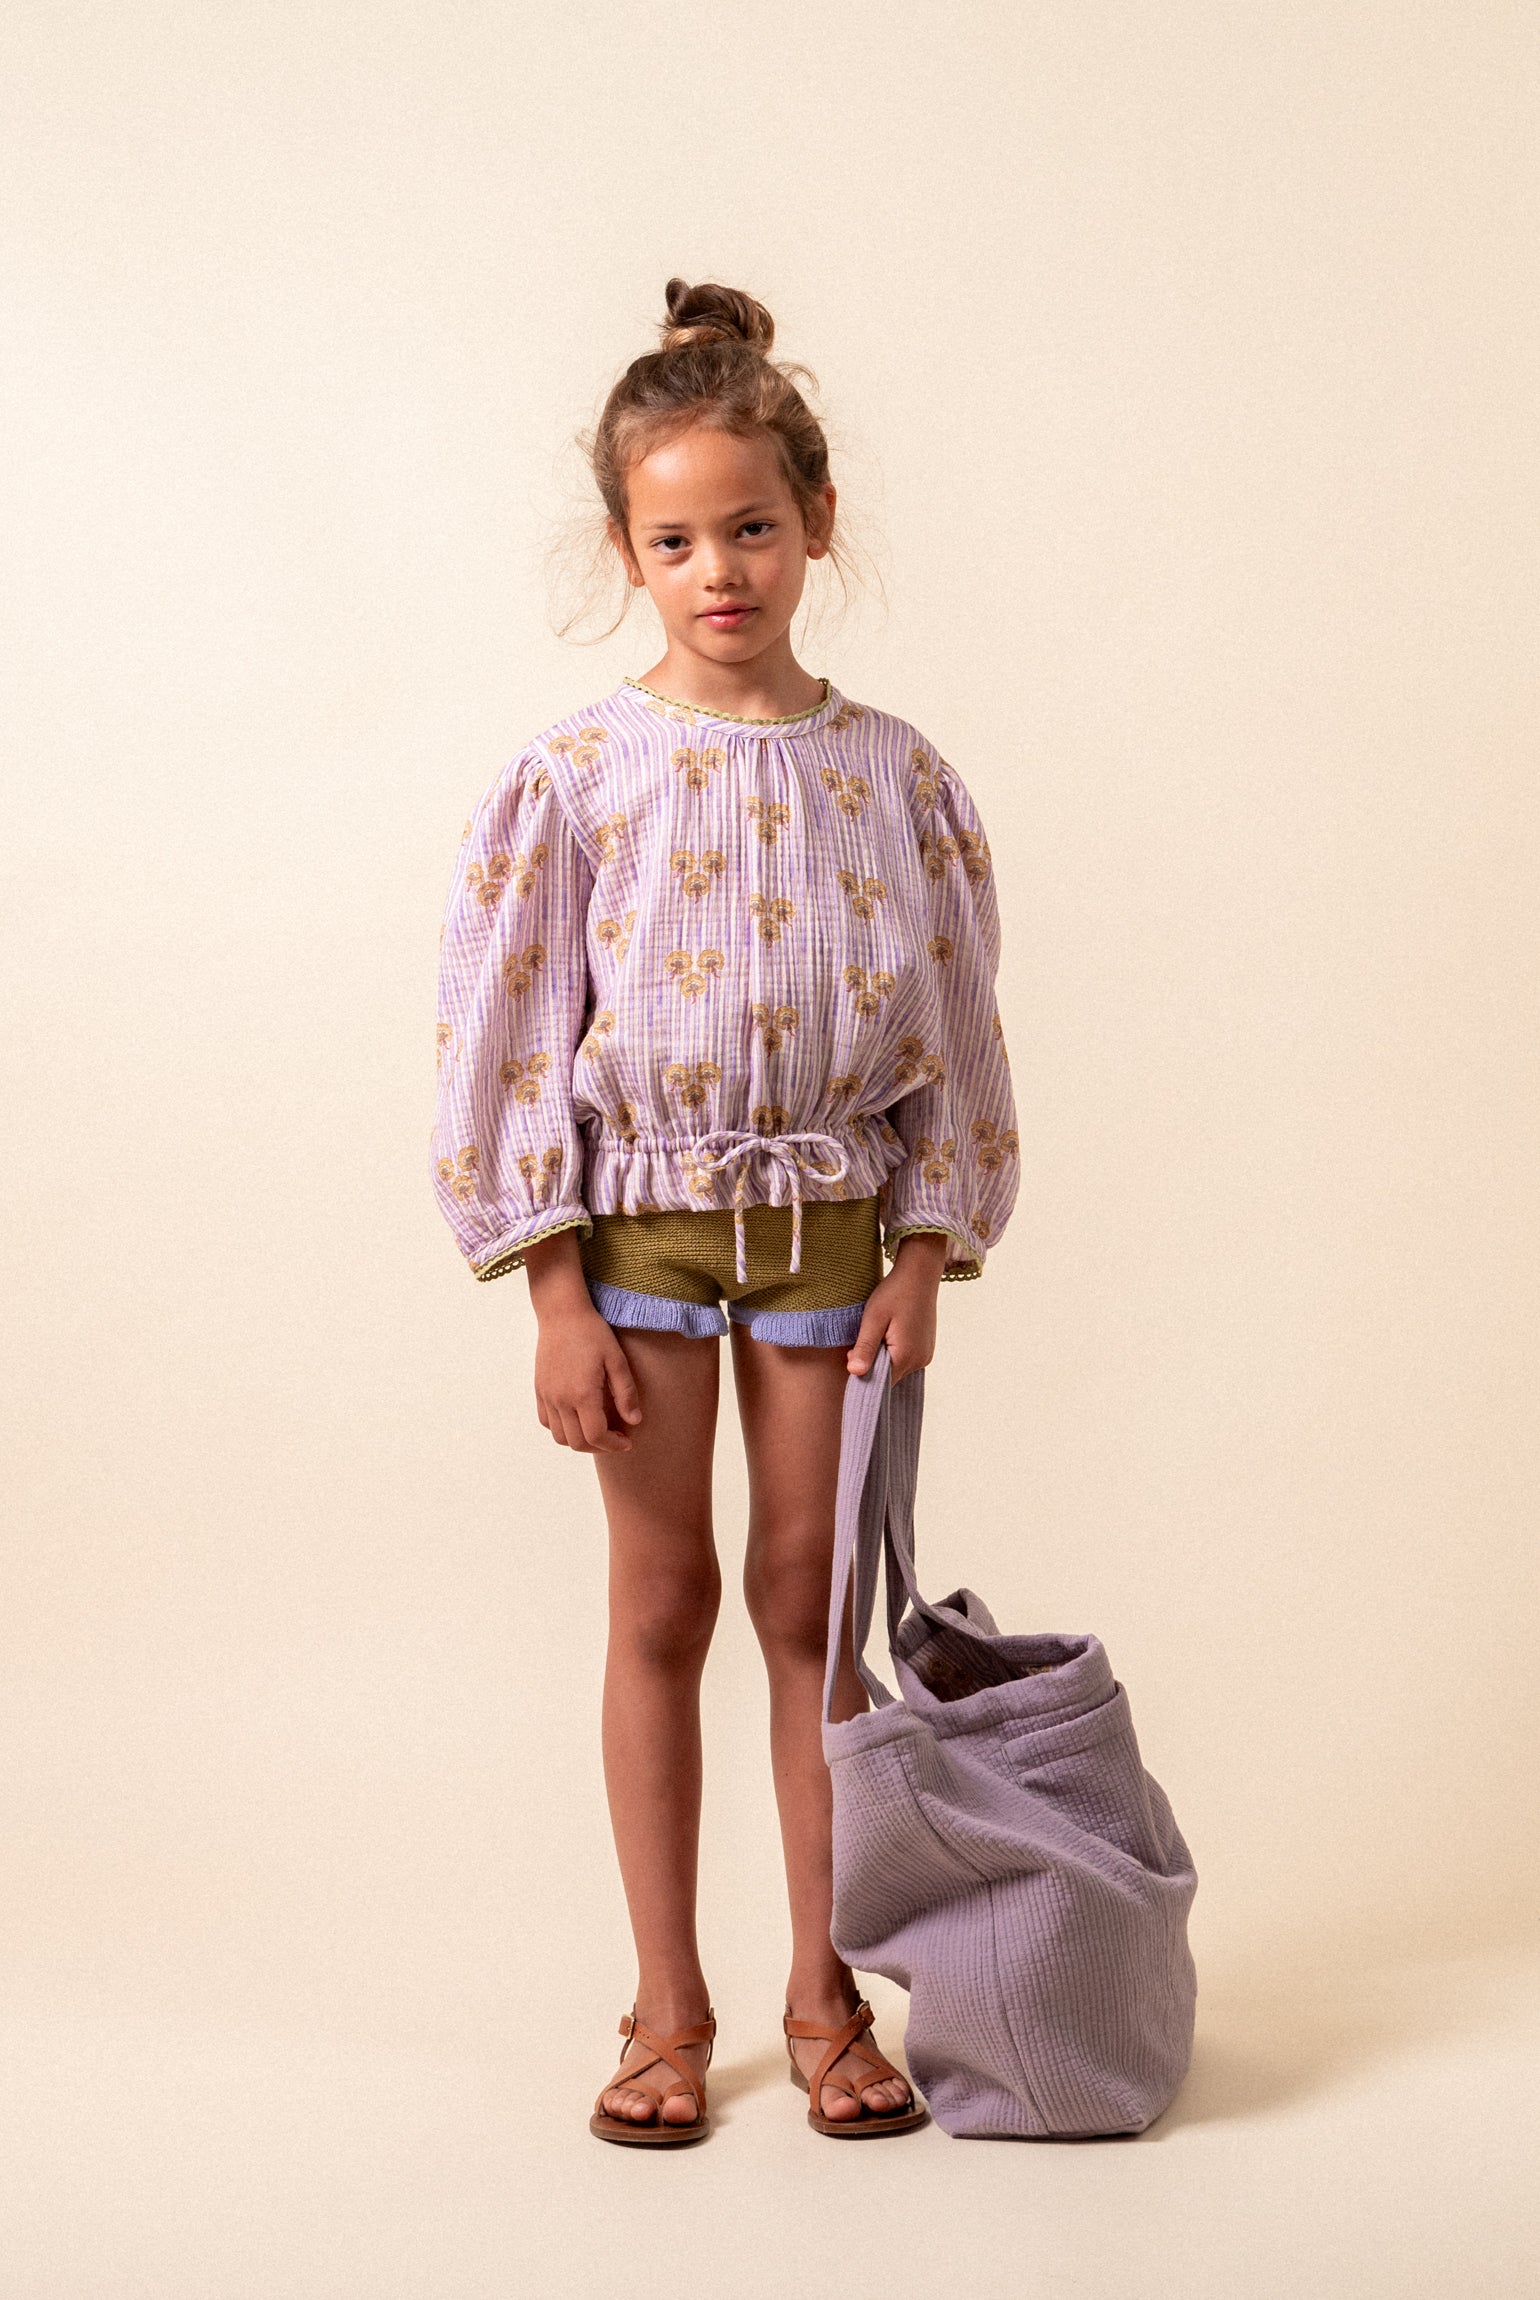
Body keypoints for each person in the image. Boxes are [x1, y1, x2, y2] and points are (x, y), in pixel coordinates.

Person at [431, 279, 1019, 2145]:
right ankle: (666, 2008)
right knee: (664, 1599)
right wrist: (554, 1294)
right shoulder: (576, 778)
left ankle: (824, 1998)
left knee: (808, 1610)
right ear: (627, 550)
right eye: (675, 540)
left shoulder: (897, 776)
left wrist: (926, 1250)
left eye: (751, 528)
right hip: (644, 1248)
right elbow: (515, 1038)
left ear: (815, 522)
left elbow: (957, 1032)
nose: (719, 572)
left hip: (834, 1242)